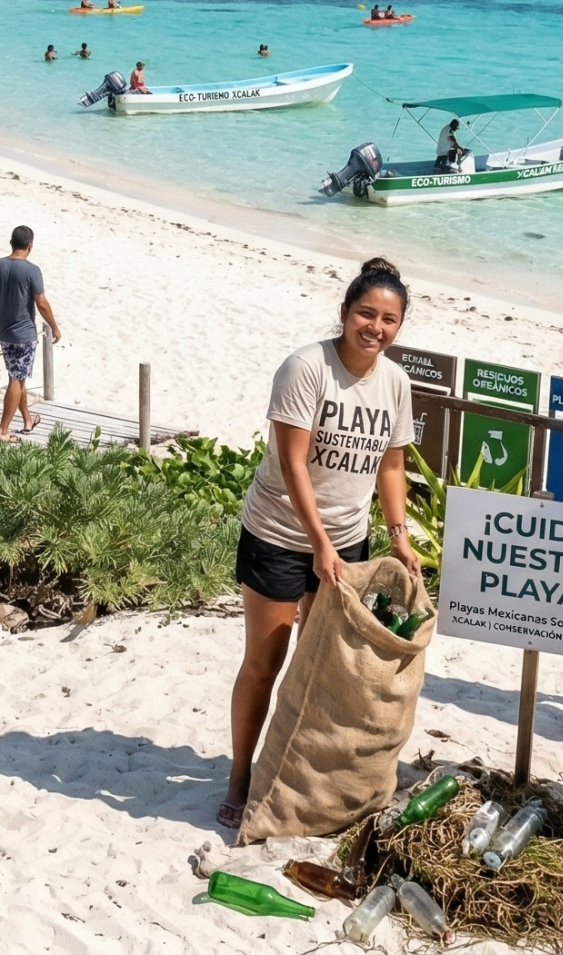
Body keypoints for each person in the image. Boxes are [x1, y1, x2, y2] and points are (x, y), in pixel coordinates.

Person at [220, 258, 419, 831]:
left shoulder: (395, 383)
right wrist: (318, 543)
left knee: (321, 667)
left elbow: (391, 463)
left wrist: (399, 536)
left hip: (347, 544)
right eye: (365, 314)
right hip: (281, 535)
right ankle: (240, 775)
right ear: (344, 313)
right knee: (267, 660)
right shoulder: (306, 368)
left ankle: (293, 774)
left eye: (388, 319)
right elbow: (292, 462)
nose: (375, 327)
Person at [0, 226, 61, 442]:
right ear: (29, 246)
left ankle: (27, 419)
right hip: (23, 335)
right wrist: (54, 326)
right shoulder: (32, 270)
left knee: (18, 378)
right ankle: (3, 431)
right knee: (17, 379)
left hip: (4, 333)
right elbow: (42, 303)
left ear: (11, 243)